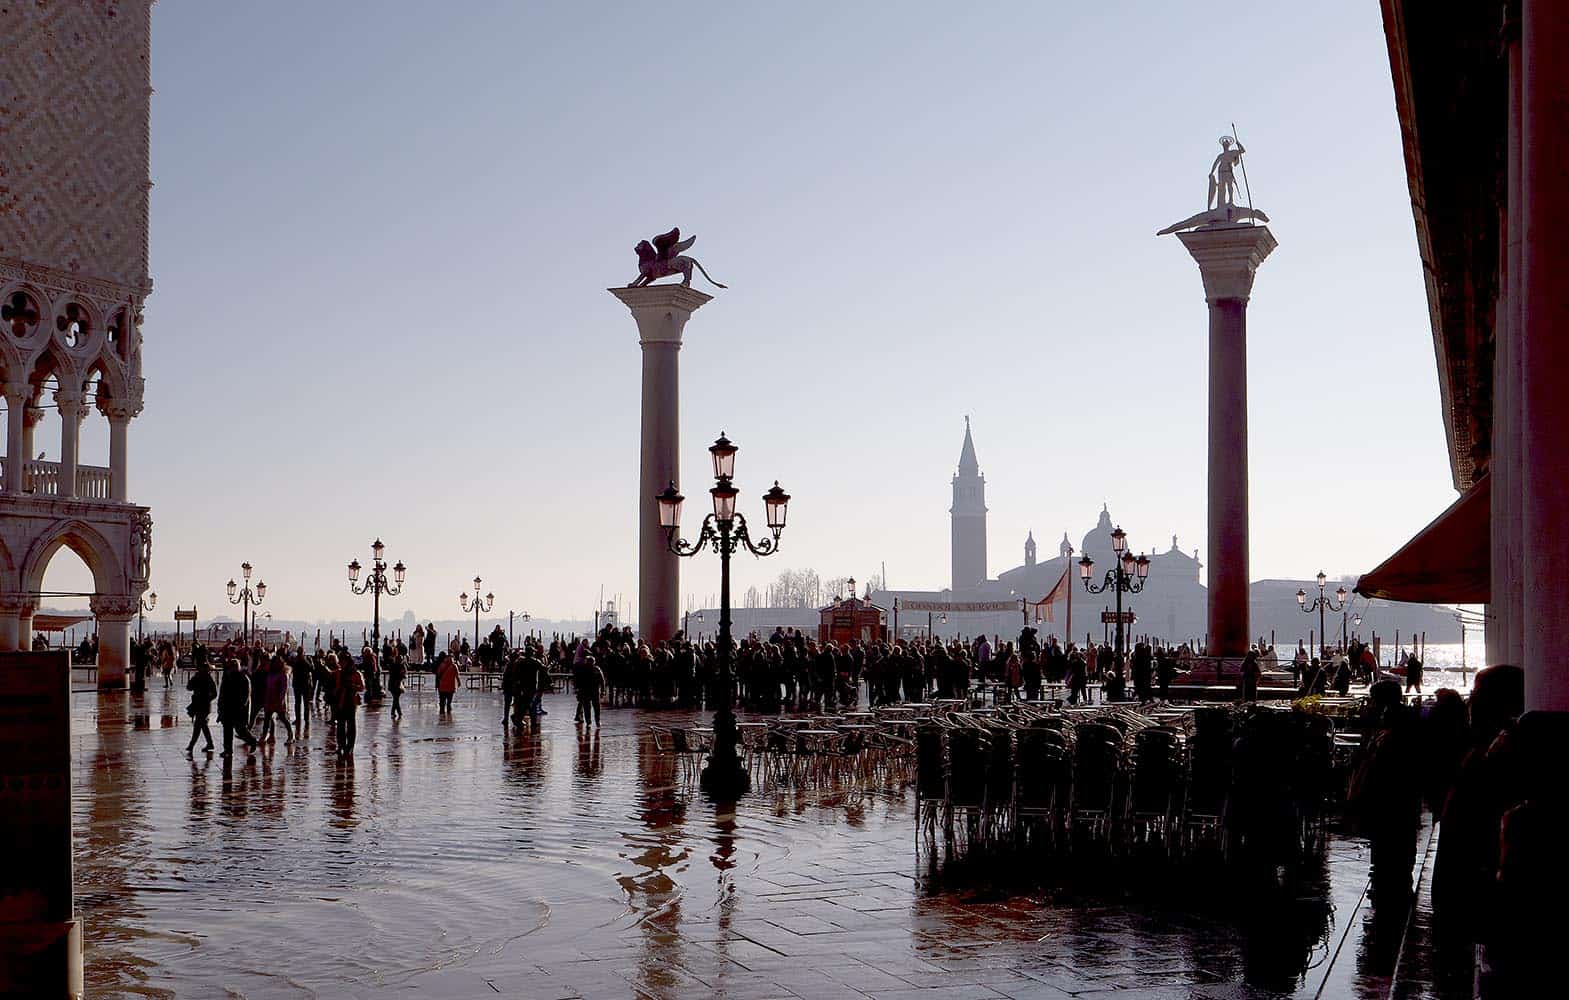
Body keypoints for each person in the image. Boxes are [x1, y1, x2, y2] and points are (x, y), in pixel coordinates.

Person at [217, 658, 259, 757]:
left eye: (235, 666)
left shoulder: (244, 678)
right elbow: (222, 693)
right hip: (227, 707)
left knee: (240, 730)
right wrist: (220, 706)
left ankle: (252, 740)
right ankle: (228, 750)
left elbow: (246, 696)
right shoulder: (227, 677)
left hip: (238, 709)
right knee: (227, 730)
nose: (233, 668)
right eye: (232, 666)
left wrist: (241, 707)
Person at [334, 651, 365, 756]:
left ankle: (350, 746)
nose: (341, 663)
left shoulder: (355, 673)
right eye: (340, 661)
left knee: (351, 725)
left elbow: (362, 687)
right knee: (340, 725)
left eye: (343, 661)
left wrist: (353, 686)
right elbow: (336, 686)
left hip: (351, 701)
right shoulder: (338, 672)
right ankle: (341, 745)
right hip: (340, 701)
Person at [259, 654, 294, 744]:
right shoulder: (270, 673)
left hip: (278, 701)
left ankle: (291, 735)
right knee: (267, 719)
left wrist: (280, 701)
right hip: (269, 699)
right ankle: (265, 736)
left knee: (283, 718)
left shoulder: (283, 674)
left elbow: (284, 689)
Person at [185, 659, 217, 755]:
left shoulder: (201, 677)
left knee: (198, 725)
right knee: (202, 725)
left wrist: (207, 699)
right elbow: (214, 693)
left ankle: (192, 745)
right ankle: (209, 744)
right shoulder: (206, 678)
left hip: (201, 704)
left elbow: (189, 687)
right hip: (202, 704)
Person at [576, 653, 604, 726]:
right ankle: (590, 721)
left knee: (593, 707)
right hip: (588, 691)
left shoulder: (596, 669)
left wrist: (602, 690)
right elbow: (579, 682)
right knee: (589, 707)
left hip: (592, 691)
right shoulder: (584, 670)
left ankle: (593, 721)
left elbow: (602, 680)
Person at [387, 649, 406, 720]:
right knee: (396, 699)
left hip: (392, 684)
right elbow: (403, 675)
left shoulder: (392, 665)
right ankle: (395, 712)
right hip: (397, 684)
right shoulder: (401, 666)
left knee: (395, 699)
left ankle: (397, 712)